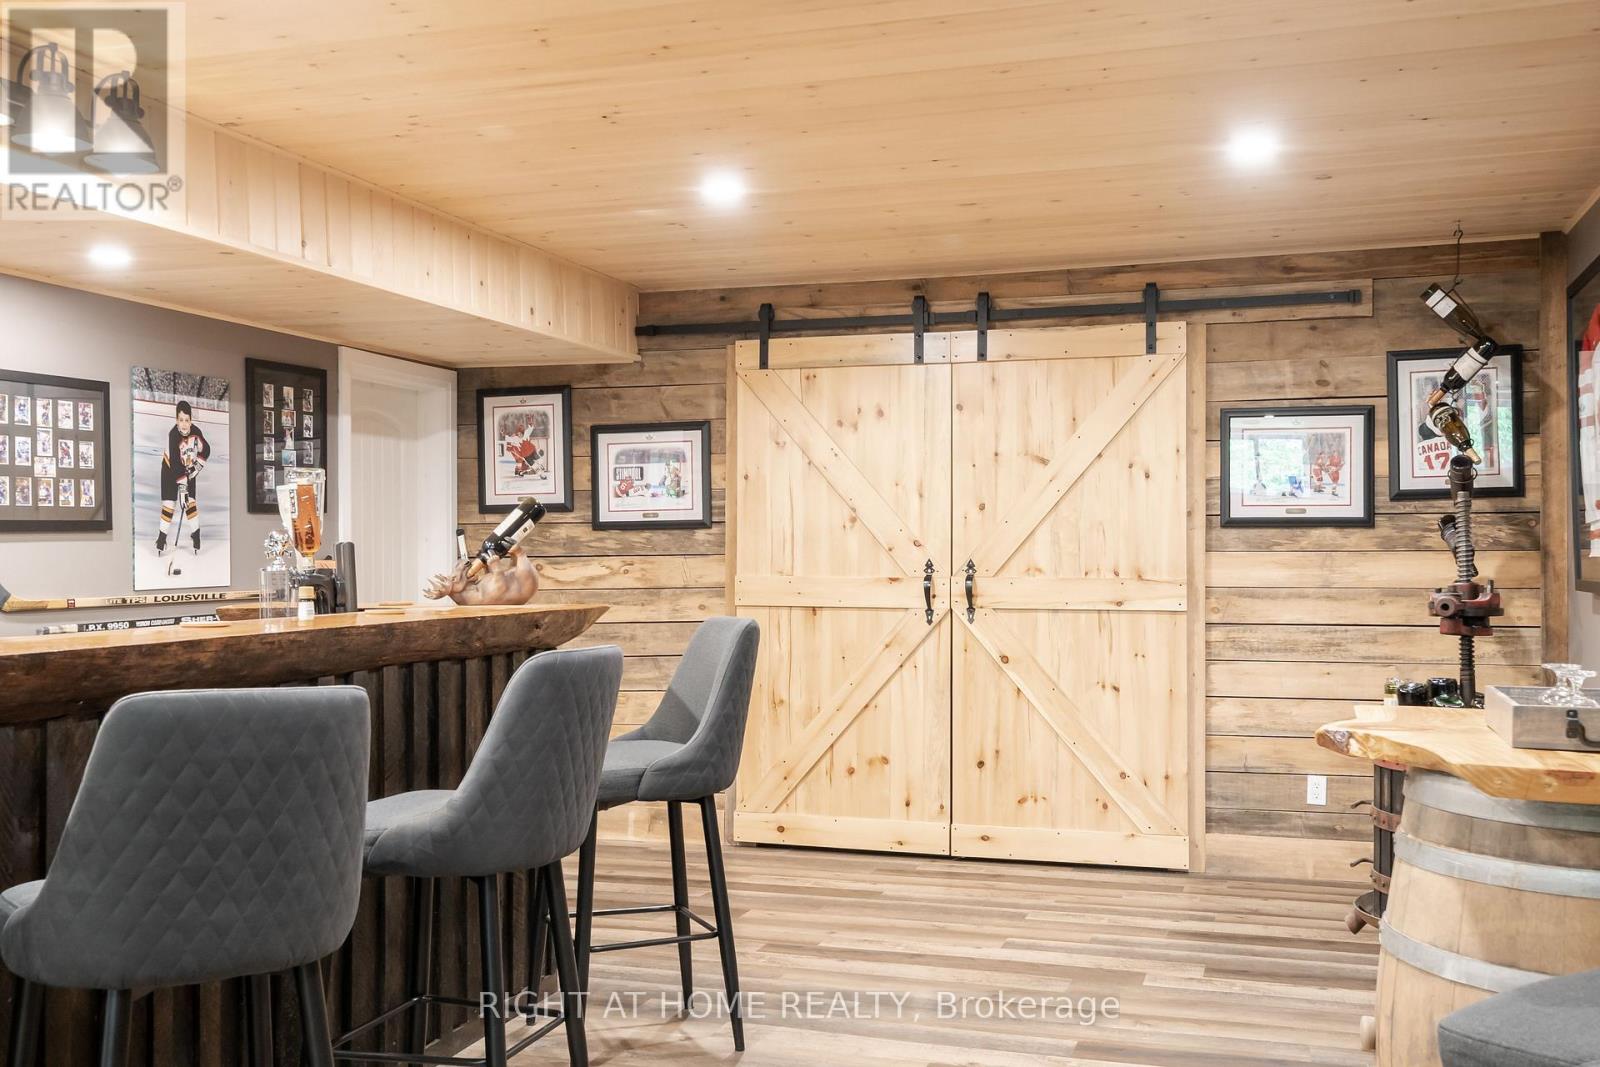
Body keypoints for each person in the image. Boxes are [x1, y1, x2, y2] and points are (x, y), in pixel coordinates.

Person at [155, 400, 210, 554]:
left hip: (187, 469)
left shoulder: (196, 432)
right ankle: (161, 539)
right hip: (169, 470)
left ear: (191, 421)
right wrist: (183, 488)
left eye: (187, 420)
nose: (184, 424)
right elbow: (175, 465)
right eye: (181, 420)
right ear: (176, 420)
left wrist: (196, 467)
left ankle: (196, 536)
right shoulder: (173, 435)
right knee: (169, 504)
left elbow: (206, 450)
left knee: (190, 503)